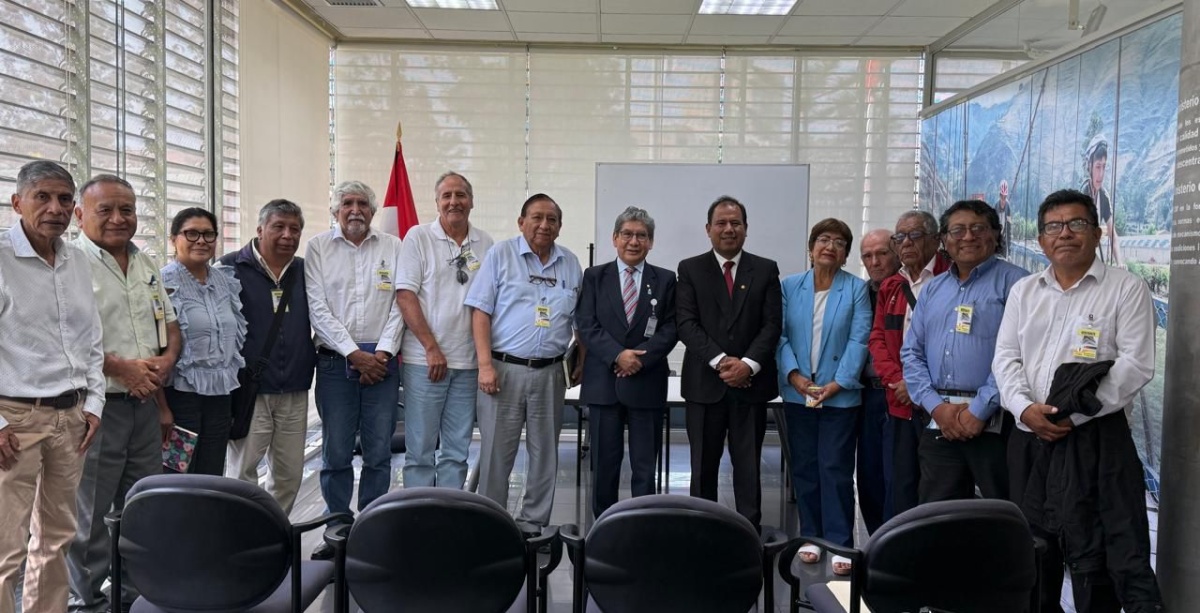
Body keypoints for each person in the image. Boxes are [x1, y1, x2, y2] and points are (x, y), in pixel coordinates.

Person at [995, 188, 1162, 613]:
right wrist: (1024, 408)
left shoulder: (1125, 289)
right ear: (1041, 239)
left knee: (1096, 556)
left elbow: (1135, 365)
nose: (1064, 233)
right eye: (1054, 226)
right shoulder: (1025, 292)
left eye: (1076, 223)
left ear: (1097, 232)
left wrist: (1072, 417)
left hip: (1094, 440)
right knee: (1032, 552)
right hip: (1029, 437)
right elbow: (1006, 358)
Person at [69, 174, 182, 613]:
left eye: (127, 210)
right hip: (97, 409)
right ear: (79, 215)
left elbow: (167, 324)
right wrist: (121, 368)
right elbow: (66, 337)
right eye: (106, 210)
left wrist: (167, 361)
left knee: (143, 506)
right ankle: (87, 601)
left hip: (145, 406)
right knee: (91, 514)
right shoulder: (69, 263)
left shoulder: (145, 262)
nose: (119, 218)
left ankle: (136, 595)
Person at [0, 161, 105, 613]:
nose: (55, 208)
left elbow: (91, 338)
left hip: (72, 417)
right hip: (15, 419)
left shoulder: (76, 258)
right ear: (17, 202)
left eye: (64, 199)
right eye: (42, 197)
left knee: (57, 538)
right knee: (5, 546)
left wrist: (94, 403)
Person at [465, 193, 582, 537]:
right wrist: (484, 365)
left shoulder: (570, 263)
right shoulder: (500, 255)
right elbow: (480, 312)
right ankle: (492, 525)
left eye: (552, 219)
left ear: (560, 227)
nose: (544, 225)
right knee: (496, 453)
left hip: (551, 373)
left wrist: (582, 361)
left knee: (545, 454)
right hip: (503, 370)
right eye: (536, 217)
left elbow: (581, 321)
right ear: (521, 222)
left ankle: (533, 525)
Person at [901, 200, 1027, 503]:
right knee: (937, 514)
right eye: (957, 230)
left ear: (995, 234)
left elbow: (1021, 354)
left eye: (978, 228)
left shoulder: (1019, 284)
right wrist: (936, 408)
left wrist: (979, 409)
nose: (968, 237)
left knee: (1003, 512)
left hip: (997, 421)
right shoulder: (933, 288)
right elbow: (912, 353)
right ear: (944, 239)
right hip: (939, 422)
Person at [306, 181, 404, 559]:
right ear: (335, 211)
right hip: (335, 363)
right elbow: (317, 308)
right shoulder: (318, 248)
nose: (355, 209)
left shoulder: (393, 246)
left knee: (379, 451)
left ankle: (372, 527)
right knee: (336, 452)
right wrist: (353, 354)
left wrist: (382, 353)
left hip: (382, 363)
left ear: (373, 211)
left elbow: (402, 303)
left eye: (362, 203)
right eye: (347, 203)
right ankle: (337, 527)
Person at [676, 196, 782, 531]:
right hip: (704, 386)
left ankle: (748, 534)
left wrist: (747, 365)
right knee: (702, 467)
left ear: (746, 229)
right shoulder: (690, 269)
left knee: (748, 467)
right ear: (708, 229)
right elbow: (686, 324)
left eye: (735, 223)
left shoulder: (765, 269)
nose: (728, 229)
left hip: (750, 386)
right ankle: (702, 532)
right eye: (721, 223)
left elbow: (772, 325)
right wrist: (723, 362)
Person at [778, 218, 871, 576]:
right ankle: (811, 536)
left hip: (839, 395)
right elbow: (780, 336)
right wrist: (795, 376)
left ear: (846, 254)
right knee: (804, 467)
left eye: (839, 242)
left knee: (835, 467)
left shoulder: (856, 289)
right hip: (798, 392)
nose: (830, 246)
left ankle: (839, 541)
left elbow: (859, 339)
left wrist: (838, 383)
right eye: (823, 239)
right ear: (811, 247)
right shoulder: (790, 286)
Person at [575, 206, 677, 518]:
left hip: (647, 382)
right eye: (627, 234)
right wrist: (618, 355)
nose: (634, 241)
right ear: (615, 238)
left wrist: (640, 359)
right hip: (603, 384)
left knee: (645, 467)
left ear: (651, 242)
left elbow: (672, 327)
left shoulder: (666, 279)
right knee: (604, 464)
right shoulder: (595, 277)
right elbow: (586, 323)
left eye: (641, 236)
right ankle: (603, 526)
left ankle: (642, 525)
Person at [396, 172, 494, 489]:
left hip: (468, 363)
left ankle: (449, 511)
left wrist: (485, 360)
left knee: (457, 451)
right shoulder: (418, 237)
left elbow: (491, 302)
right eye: (447, 196)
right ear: (437, 202)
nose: (454, 202)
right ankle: (417, 512)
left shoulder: (486, 243)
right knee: (421, 450)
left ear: (472, 201)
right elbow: (405, 295)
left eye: (461, 195)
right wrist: (431, 348)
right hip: (425, 362)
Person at [221, 199, 316, 513]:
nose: (288, 235)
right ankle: (243, 534)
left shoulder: (305, 270)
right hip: (250, 389)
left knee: (288, 474)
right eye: (279, 227)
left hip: (295, 388)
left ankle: (274, 531)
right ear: (260, 229)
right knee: (243, 472)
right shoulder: (230, 268)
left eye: (295, 229)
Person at [868, 210, 950, 515]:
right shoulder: (891, 285)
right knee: (900, 484)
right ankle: (898, 544)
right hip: (899, 401)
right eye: (899, 237)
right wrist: (897, 381)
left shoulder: (950, 278)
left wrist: (916, 385)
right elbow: (877, 339)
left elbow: (952, 346)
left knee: (938, 486)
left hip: (939, 405)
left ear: (935, 239)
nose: (906, 243)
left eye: (914, 235)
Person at [160, 208, 246, 476]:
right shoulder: (161, 282)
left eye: (208, 234)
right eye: (191, 233)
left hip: (220, 395)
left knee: (211, 471)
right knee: (178, 473)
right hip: (180, 396)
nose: (201, 240)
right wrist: (161, 408)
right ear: (173, 239)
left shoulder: (224, 280)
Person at [857, 227, 900, 532]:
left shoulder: (911, 290)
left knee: (896, 473)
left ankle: (895, 539)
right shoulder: (859, 294)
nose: (875, 262)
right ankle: (875, 540)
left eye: (882, 253)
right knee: (869, 473)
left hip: (900, 392)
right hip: (867, 394)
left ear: (896, 252)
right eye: (867, 256)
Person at [1081, 135, 1120, 266]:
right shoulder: (1082, 195)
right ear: (1089, 166)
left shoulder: (1103, 197)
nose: (1101, 174)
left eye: (1104, 167)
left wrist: (1120, 263)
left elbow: (1113, 235)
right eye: (1098, 167)